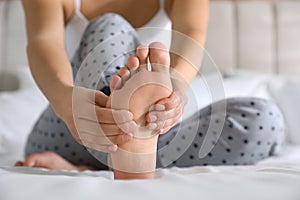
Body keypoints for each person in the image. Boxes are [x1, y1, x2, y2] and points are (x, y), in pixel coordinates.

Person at [16, 0, 285, 179]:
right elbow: (43, 42)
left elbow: (191, 32)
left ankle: (127, 150)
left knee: (264, 120)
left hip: (150, 135)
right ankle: (130, 135)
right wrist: (67, 102)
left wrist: (176, 85)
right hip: (70, 129)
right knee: (111, 24)